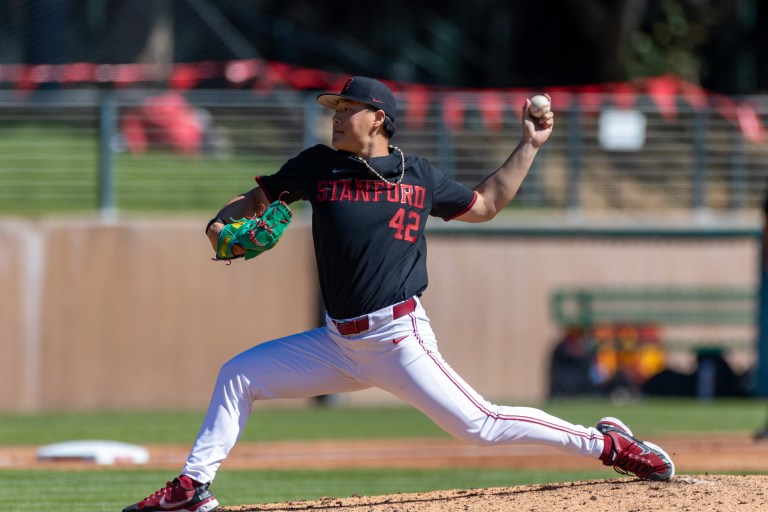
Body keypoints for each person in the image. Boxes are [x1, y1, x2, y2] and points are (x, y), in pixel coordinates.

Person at [123, 76, 675, 512]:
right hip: (338, 343)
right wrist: (220, 228)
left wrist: (528, 146)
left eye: (346, 108)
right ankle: (194, 487)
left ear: (378, 117)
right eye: (333, 109)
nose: (335, 115)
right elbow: (252, 200)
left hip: (398, 336)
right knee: (238, 375)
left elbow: (485, 205)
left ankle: (609, 445)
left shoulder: (418, 176)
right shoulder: (319, 166)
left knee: (481, 426)